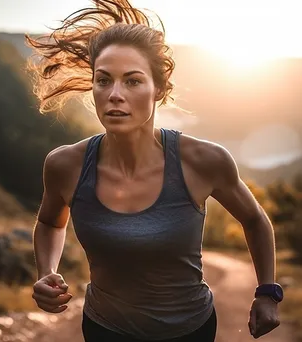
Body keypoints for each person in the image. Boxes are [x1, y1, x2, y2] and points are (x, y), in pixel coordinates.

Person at [27, 1, 283, 341]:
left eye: (133, 81)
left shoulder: (203, 161)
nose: (115, 94)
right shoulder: (65, 165)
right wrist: (46, 271)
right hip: (105, 329)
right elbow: (49, 221)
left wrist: (267, 291)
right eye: (103, 80)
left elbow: (254, 219)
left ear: (158, 90)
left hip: (190, 330)